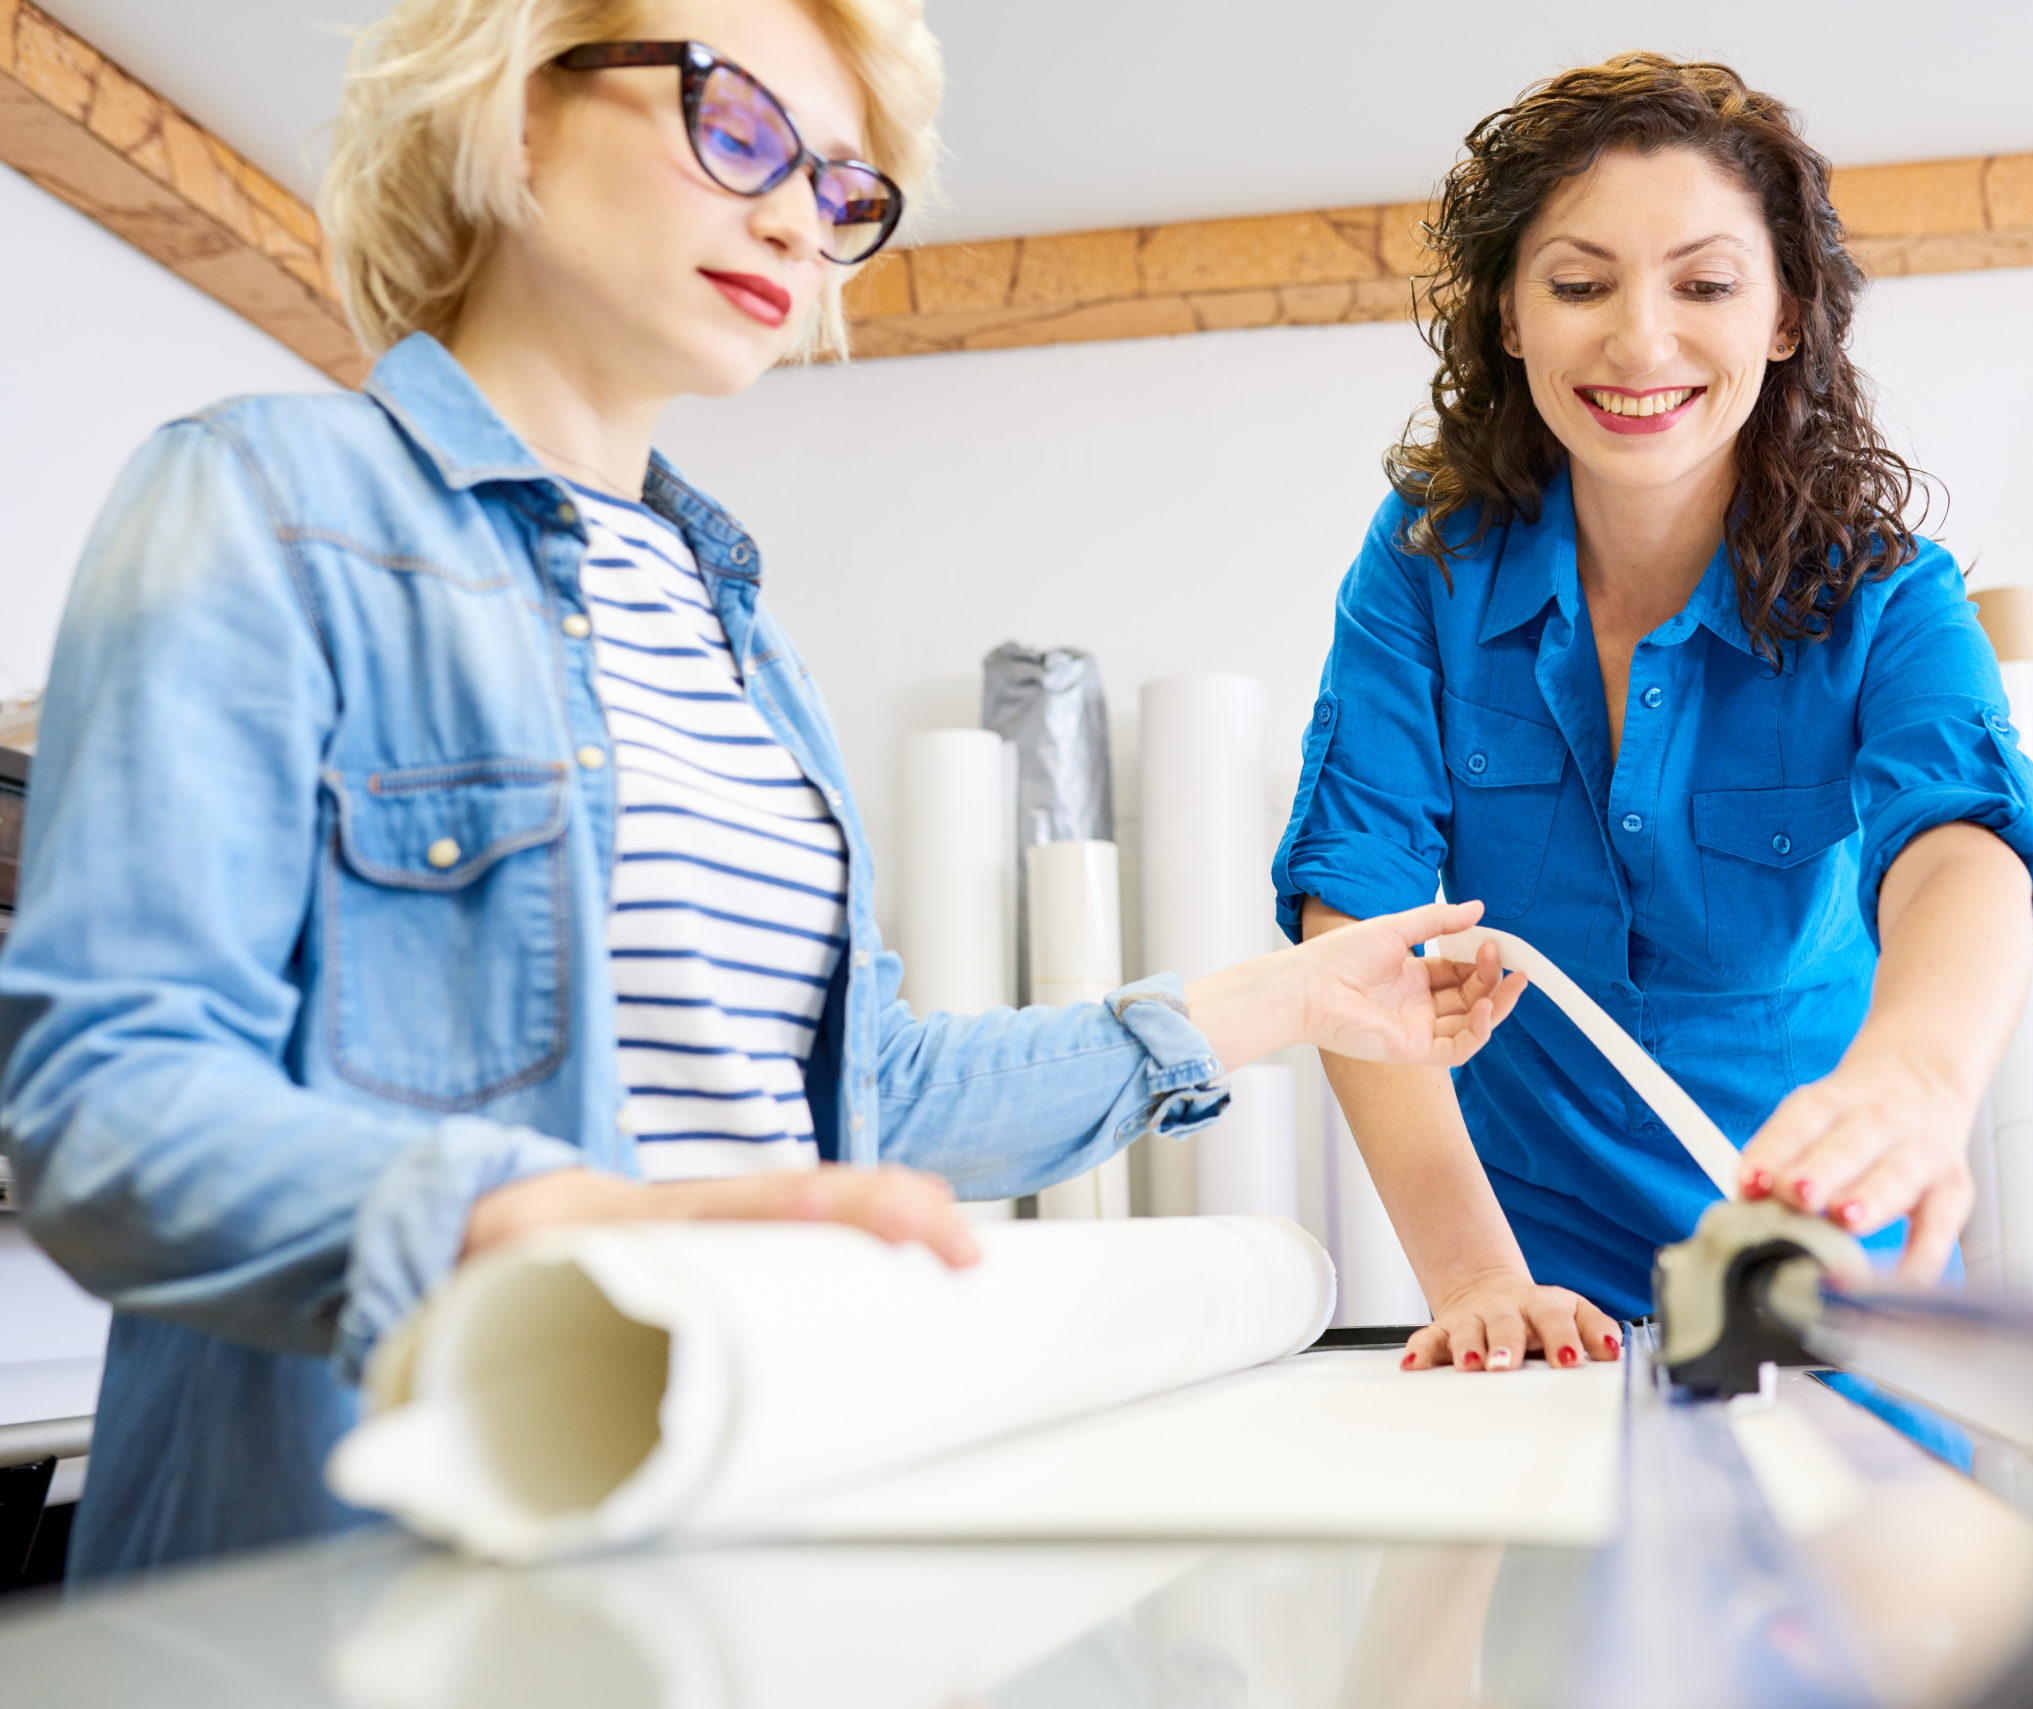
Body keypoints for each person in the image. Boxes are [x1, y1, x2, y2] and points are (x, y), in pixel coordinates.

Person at [0, 0, 1523, 1579]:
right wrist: (518, 1222)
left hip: (702, 1523)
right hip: (352, 1564)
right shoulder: (260, 501)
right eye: (739, 127)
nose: (802, 215)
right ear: (514, 110)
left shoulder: (746, 643)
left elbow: (879, 1098)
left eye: (848, 190)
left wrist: (1278, 1005)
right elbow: (103, 1104)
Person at [1276, 55, 2033, 1375]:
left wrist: (1917, 1076)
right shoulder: (1424, 566)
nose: (1640, 340)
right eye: (1581, 284)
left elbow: (1963, 839)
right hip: (1534, 1313)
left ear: (1787, 315)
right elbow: (1358, 903)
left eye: (1704, 283)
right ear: (1510, 318)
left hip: (1826, 1297)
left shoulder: (1887, 595)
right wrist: (1474, 1277)